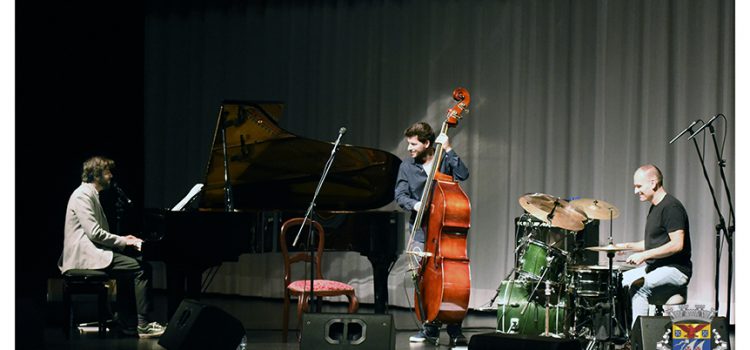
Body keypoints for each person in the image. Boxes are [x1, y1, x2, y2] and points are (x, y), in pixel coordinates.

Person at [58, 156, 166, 338]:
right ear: (96, 174)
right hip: (84, 256)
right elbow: (94, 233)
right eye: (107, 172)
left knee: (130, 268)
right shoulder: (83, 195)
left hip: (91, 252)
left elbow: (96, 232)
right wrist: (124, 241)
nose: (111, 176)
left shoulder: (90, 194)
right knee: (141, 268)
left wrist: (123, 238)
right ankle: (143, 324)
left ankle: (127, 323)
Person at [394, 122, 470, 346]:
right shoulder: (407, 167)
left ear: (427, 143)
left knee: (452, 278)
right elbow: (399, 195)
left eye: (413, 144)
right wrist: (415, 205)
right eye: (409, 144)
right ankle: (430, 328)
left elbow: (463, 174)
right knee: (424, 278)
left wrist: (448, 149)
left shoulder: (444, 160)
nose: (409, 148)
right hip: (420, 229)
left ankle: (455, 328)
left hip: (445, 231)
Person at [618, 164, 691, 327]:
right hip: (657, 267)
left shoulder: (671, 207)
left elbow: (677, 245)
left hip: (676, 269)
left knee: (639, 286)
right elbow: (655, 243)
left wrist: (645, 255)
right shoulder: (655, 207)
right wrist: (626, 245)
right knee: (619, 281)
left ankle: (638, 340)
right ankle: (624, 333)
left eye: (638, 186)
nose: (635, 191)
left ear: (653, 183)